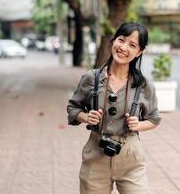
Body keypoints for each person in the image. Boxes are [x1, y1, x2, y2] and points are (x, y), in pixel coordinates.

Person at [67, 22, 161, 194]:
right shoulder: (91, 78)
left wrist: (138, 125)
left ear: (139, 52)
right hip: (96, 156)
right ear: (113, 41)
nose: (124, 47)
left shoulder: (143, 85)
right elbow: (73, 108)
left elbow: (154, 119)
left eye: (132, 45)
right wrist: (86, 117)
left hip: (130, 159)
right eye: (121, 40)